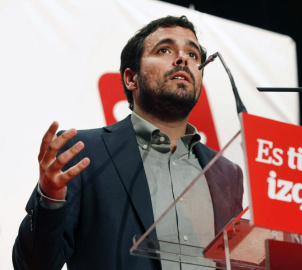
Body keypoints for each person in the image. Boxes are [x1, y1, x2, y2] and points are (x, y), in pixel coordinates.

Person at [12, 15, 244, 270]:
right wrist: (49, 201)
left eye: (193, 54)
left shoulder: (226, 173)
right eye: (164, 49)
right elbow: (31, 266)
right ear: (131, 78)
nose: (182, 59)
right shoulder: (82, 152)